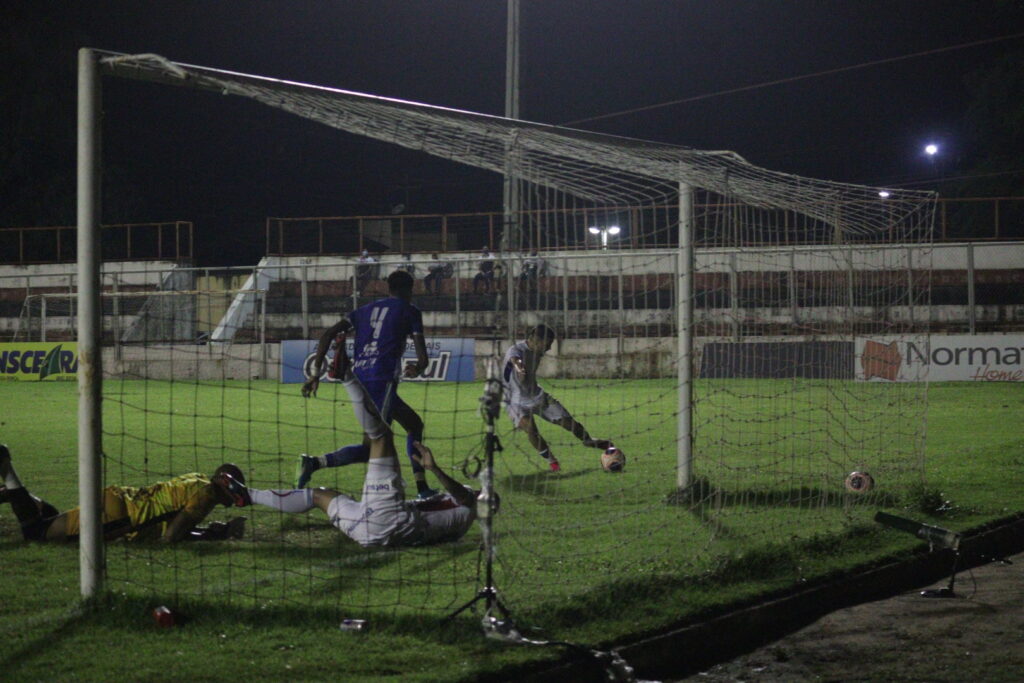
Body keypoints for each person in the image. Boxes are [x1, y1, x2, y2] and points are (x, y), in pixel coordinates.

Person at [241, 372, 476, 548]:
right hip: (368, 533)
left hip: (389, 519)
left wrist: (433, 469)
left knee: (381, 436)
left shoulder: (468, 508)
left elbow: (464, 496)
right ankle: (247, 494)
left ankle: (345, 376)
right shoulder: (457, 527)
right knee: (319, 496)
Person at [300, 270, 436, 498]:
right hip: (381, 381)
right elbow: (423, 358)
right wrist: (417, 368)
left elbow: (327, 334)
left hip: (359, 379)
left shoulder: (362, 311)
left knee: (413, 425)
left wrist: (315, 375)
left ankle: (422, 488)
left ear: (388, 288)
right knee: (373, 446)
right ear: (409, 290)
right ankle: (314, 464)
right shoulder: (410, 311)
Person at [0, 444, 248, 543]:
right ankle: (6, 467)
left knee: (50, 518)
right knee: (37, 535)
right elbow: (171, 537)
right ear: (226, 485)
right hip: (119, 517)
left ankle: (12, 494)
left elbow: (168, 523)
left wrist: (210, 533)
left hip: (119, 498)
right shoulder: (206, 497)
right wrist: (213, 535)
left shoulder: (198, 479)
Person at [502, 324, 611, 471]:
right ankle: (552, 462)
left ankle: (588, 441)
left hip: (537, 395)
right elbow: (516, 360)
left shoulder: (537, 350)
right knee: (531, 429)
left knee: (569, 423)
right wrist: (520, 369)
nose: (548, 348)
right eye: (547, 344)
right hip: (514, 401)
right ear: (535, 339)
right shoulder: (515, 350)